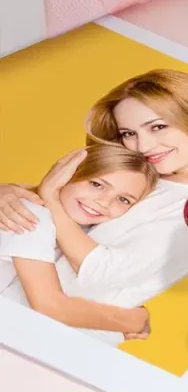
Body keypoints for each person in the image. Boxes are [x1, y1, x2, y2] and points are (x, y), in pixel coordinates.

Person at [0, 69, 188, 345]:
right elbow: (76, 202)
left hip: (62, 340)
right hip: (21, 318)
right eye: (129, 133)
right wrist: (12, 192)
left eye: (158, 127)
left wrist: (48, 197)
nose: (143, 145)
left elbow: (97, 272)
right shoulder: (152, 176)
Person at [0, 144, 158, 339]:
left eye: (124, 199)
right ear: (69, 174)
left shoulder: (83, 237)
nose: (104, 202)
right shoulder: (29, 214)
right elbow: (50, 305)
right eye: (97, 184)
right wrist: (129, 319)